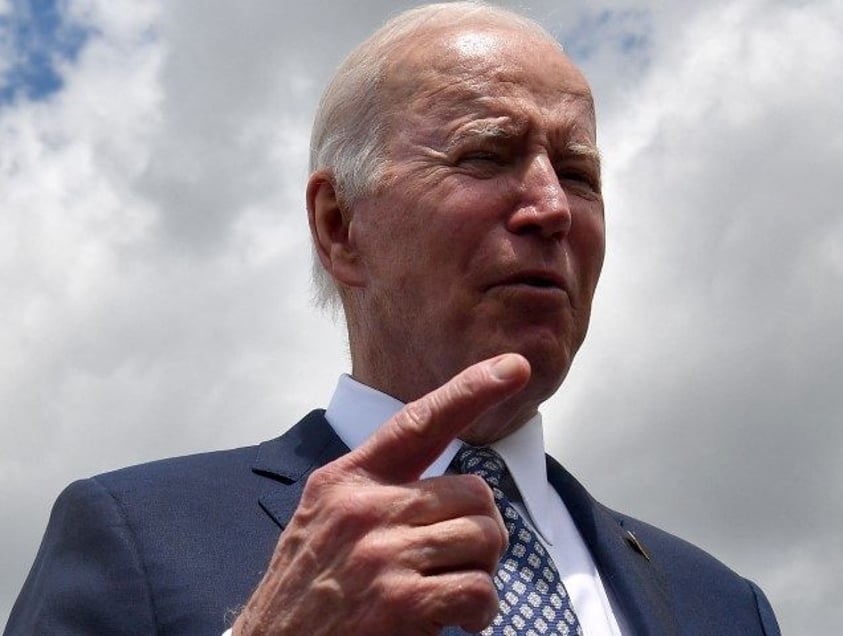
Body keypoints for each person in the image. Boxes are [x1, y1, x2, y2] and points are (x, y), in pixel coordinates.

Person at [5, 3, 781, 635]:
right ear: (341, 226)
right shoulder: (137, 537)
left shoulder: (724, 606)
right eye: (486, 154)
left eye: (578, 173)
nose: (551, 207)